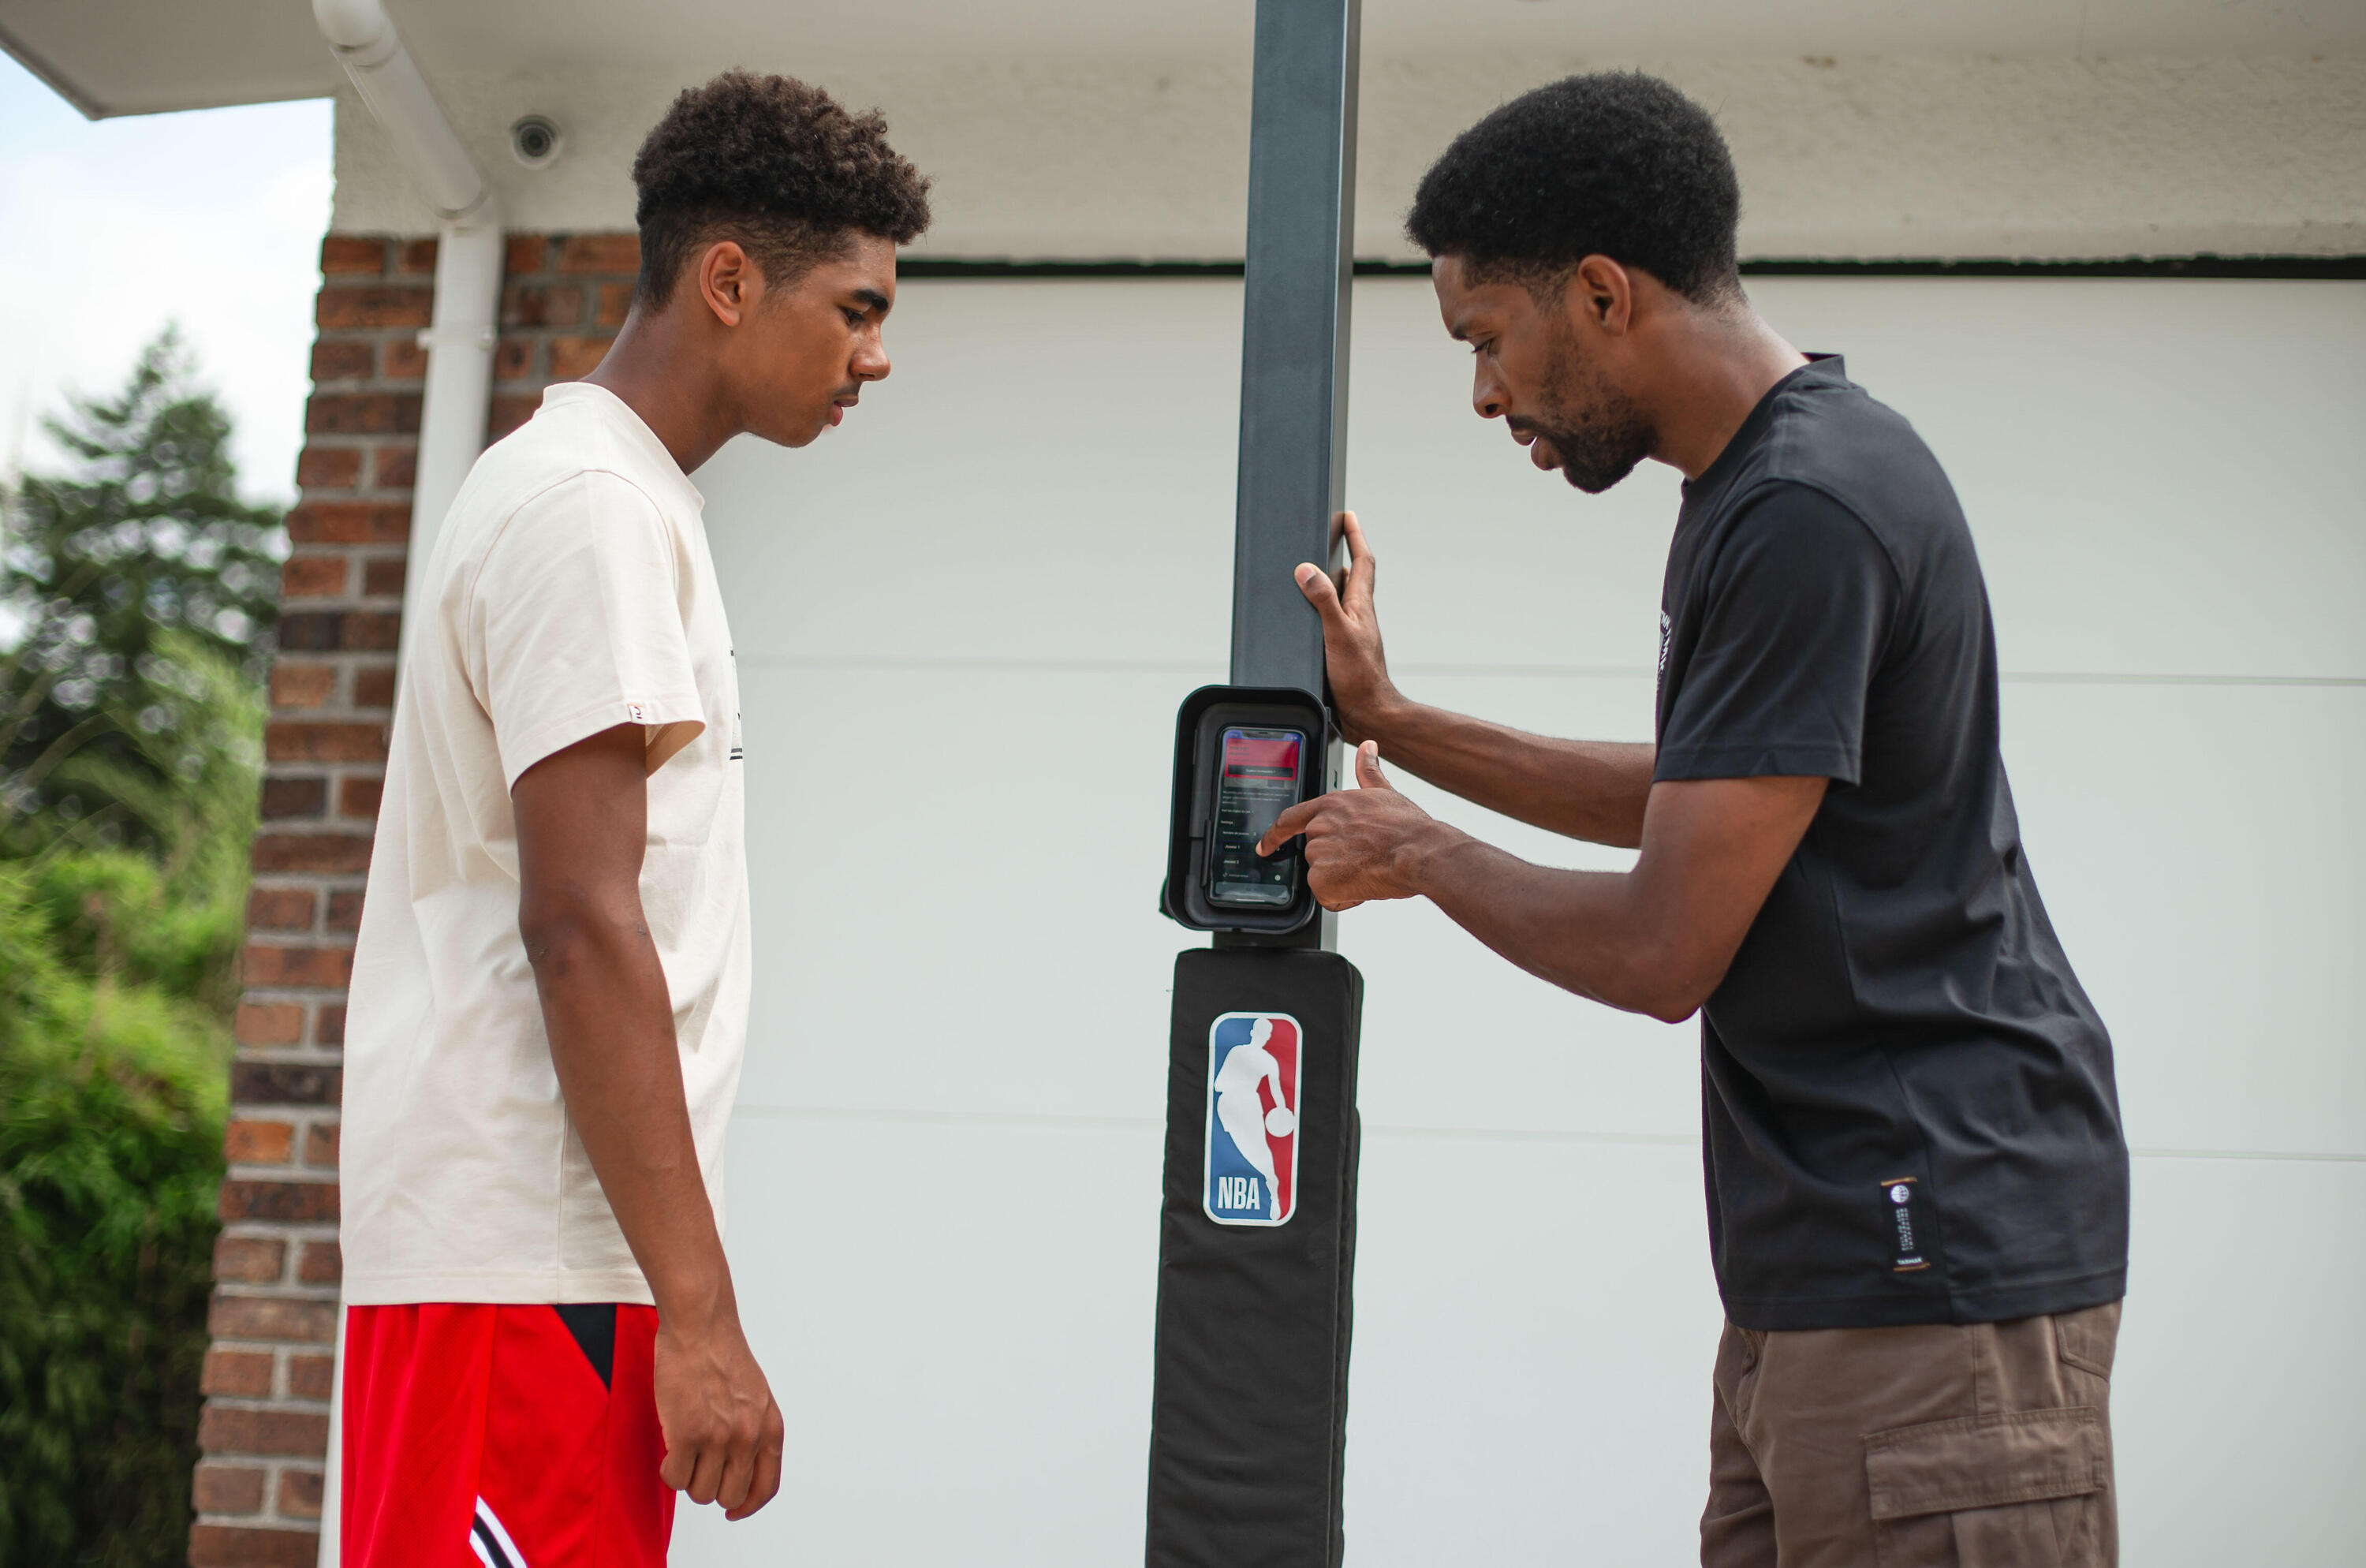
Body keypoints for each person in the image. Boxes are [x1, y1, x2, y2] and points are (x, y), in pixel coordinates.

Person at [1258, 73, 2130, 1567]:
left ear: (1599, 292)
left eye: (1486, 341)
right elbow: (1703, 792)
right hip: (1832, 1274)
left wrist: (1421, 853)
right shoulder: (1761, 488)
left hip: (1926, 1270)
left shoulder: (1807, 505)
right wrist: (1396, 723)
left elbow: (1671, 944)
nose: (1484, 396)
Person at [337, 72, 931, 1566]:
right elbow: (581, 922)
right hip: (524, 1284)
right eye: (855, 308)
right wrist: (702, 1311)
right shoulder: (585, 508)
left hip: (554, 1279)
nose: (878, 357)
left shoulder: (628, 502)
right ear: (729, 281)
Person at [1213, 1018, 1289, 1220]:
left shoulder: (1249, 1055)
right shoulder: (1244, 1054)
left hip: (1241, 1105)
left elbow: (1219, 1085)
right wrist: (1281, 1109)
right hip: (1234, 1105)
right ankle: (1272, 1188)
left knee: (1256, 1149)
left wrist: (1282, 1111)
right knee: (1248, 1149)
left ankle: (1273, 1192)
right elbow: (1218, 1085)